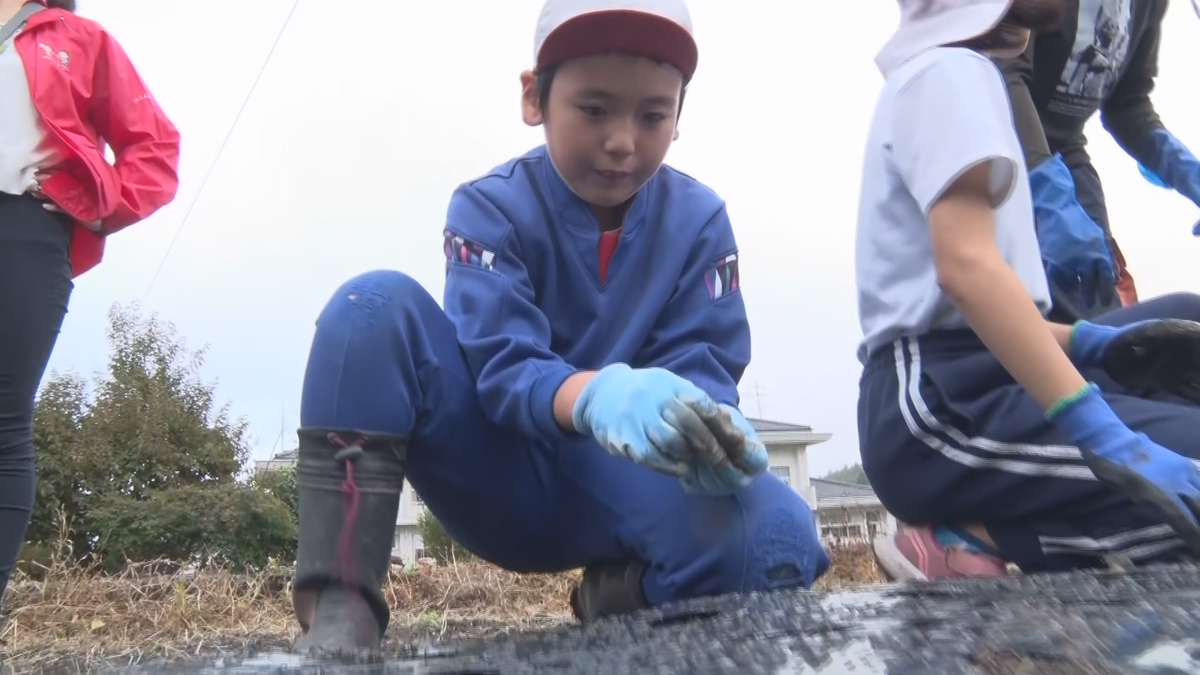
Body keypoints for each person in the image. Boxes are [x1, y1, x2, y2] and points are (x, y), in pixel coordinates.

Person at [287, 0, 829, 653]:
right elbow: (501, 364)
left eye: (653, 114)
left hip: (626, 480)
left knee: (780, 541)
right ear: (533, 97)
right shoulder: (489, 207)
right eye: (594, 109)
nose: (623, 140)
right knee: (369, 308)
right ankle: (340, 604)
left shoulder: (701, 221)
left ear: (680, 115)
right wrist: (598, 394)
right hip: (498, 471)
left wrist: (707, 425)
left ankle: (619, 593)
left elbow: (702, 368)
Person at [857, 0, 1200, 584]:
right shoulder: (951, 74)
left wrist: (1094, 344)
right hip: (940, 410)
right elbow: (965, 271)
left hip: (981, 377)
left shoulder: (969, 77)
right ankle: (968, 537)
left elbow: (983, 314)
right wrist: (1104, 433)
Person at [0, 0, 179, 604]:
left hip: (21, 232)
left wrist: (97, 206)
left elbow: (155, 149)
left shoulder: (78, 39)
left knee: (1, 424)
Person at [999, 0, 1200, 322]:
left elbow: (1128, 102)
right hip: (995, 161)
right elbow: (1001, 70)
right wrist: (1049, 197)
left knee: (1103, 320)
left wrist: (1186, 171)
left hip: (1067, 163)